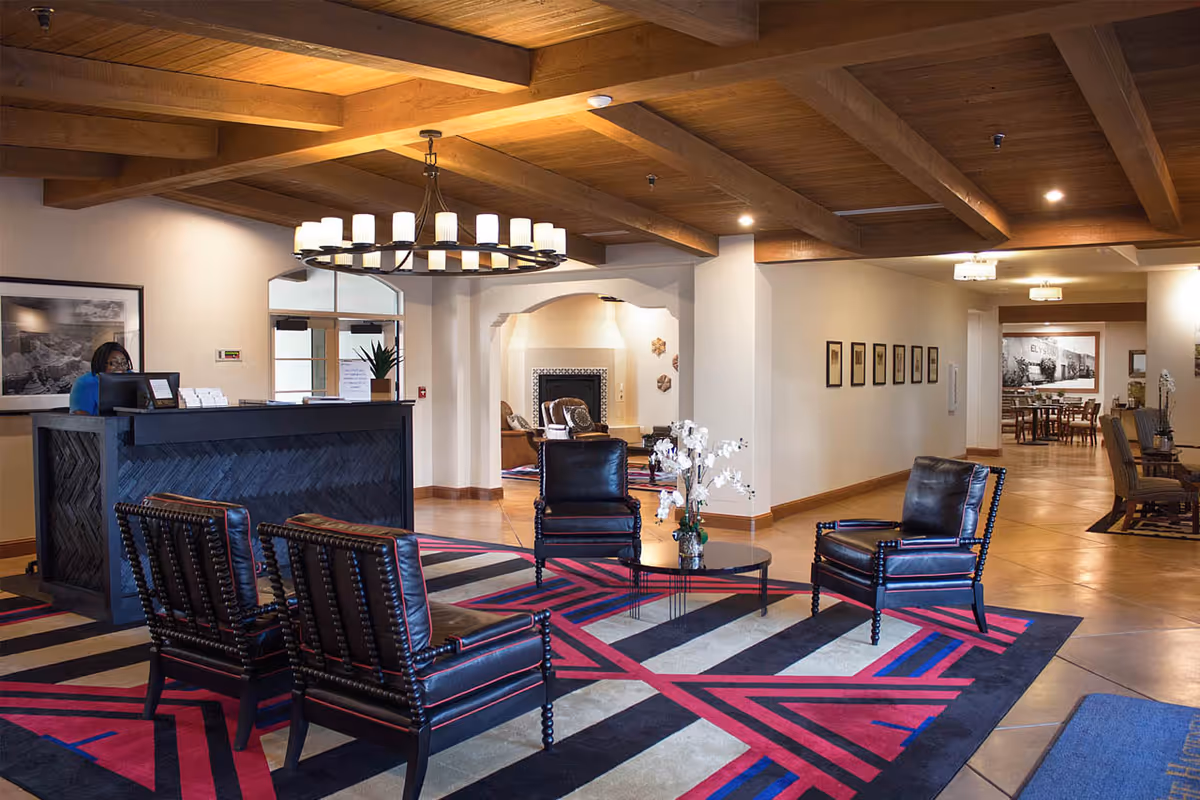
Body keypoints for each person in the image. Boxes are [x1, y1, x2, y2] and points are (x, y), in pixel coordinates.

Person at [69, 342, 133, 415]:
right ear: (101, 363)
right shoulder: (85, 383)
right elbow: (81, 421)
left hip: (132, 424)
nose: (120, 367)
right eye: (114, 363)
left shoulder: (133, 379)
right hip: (99, 425)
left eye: (124, 363)